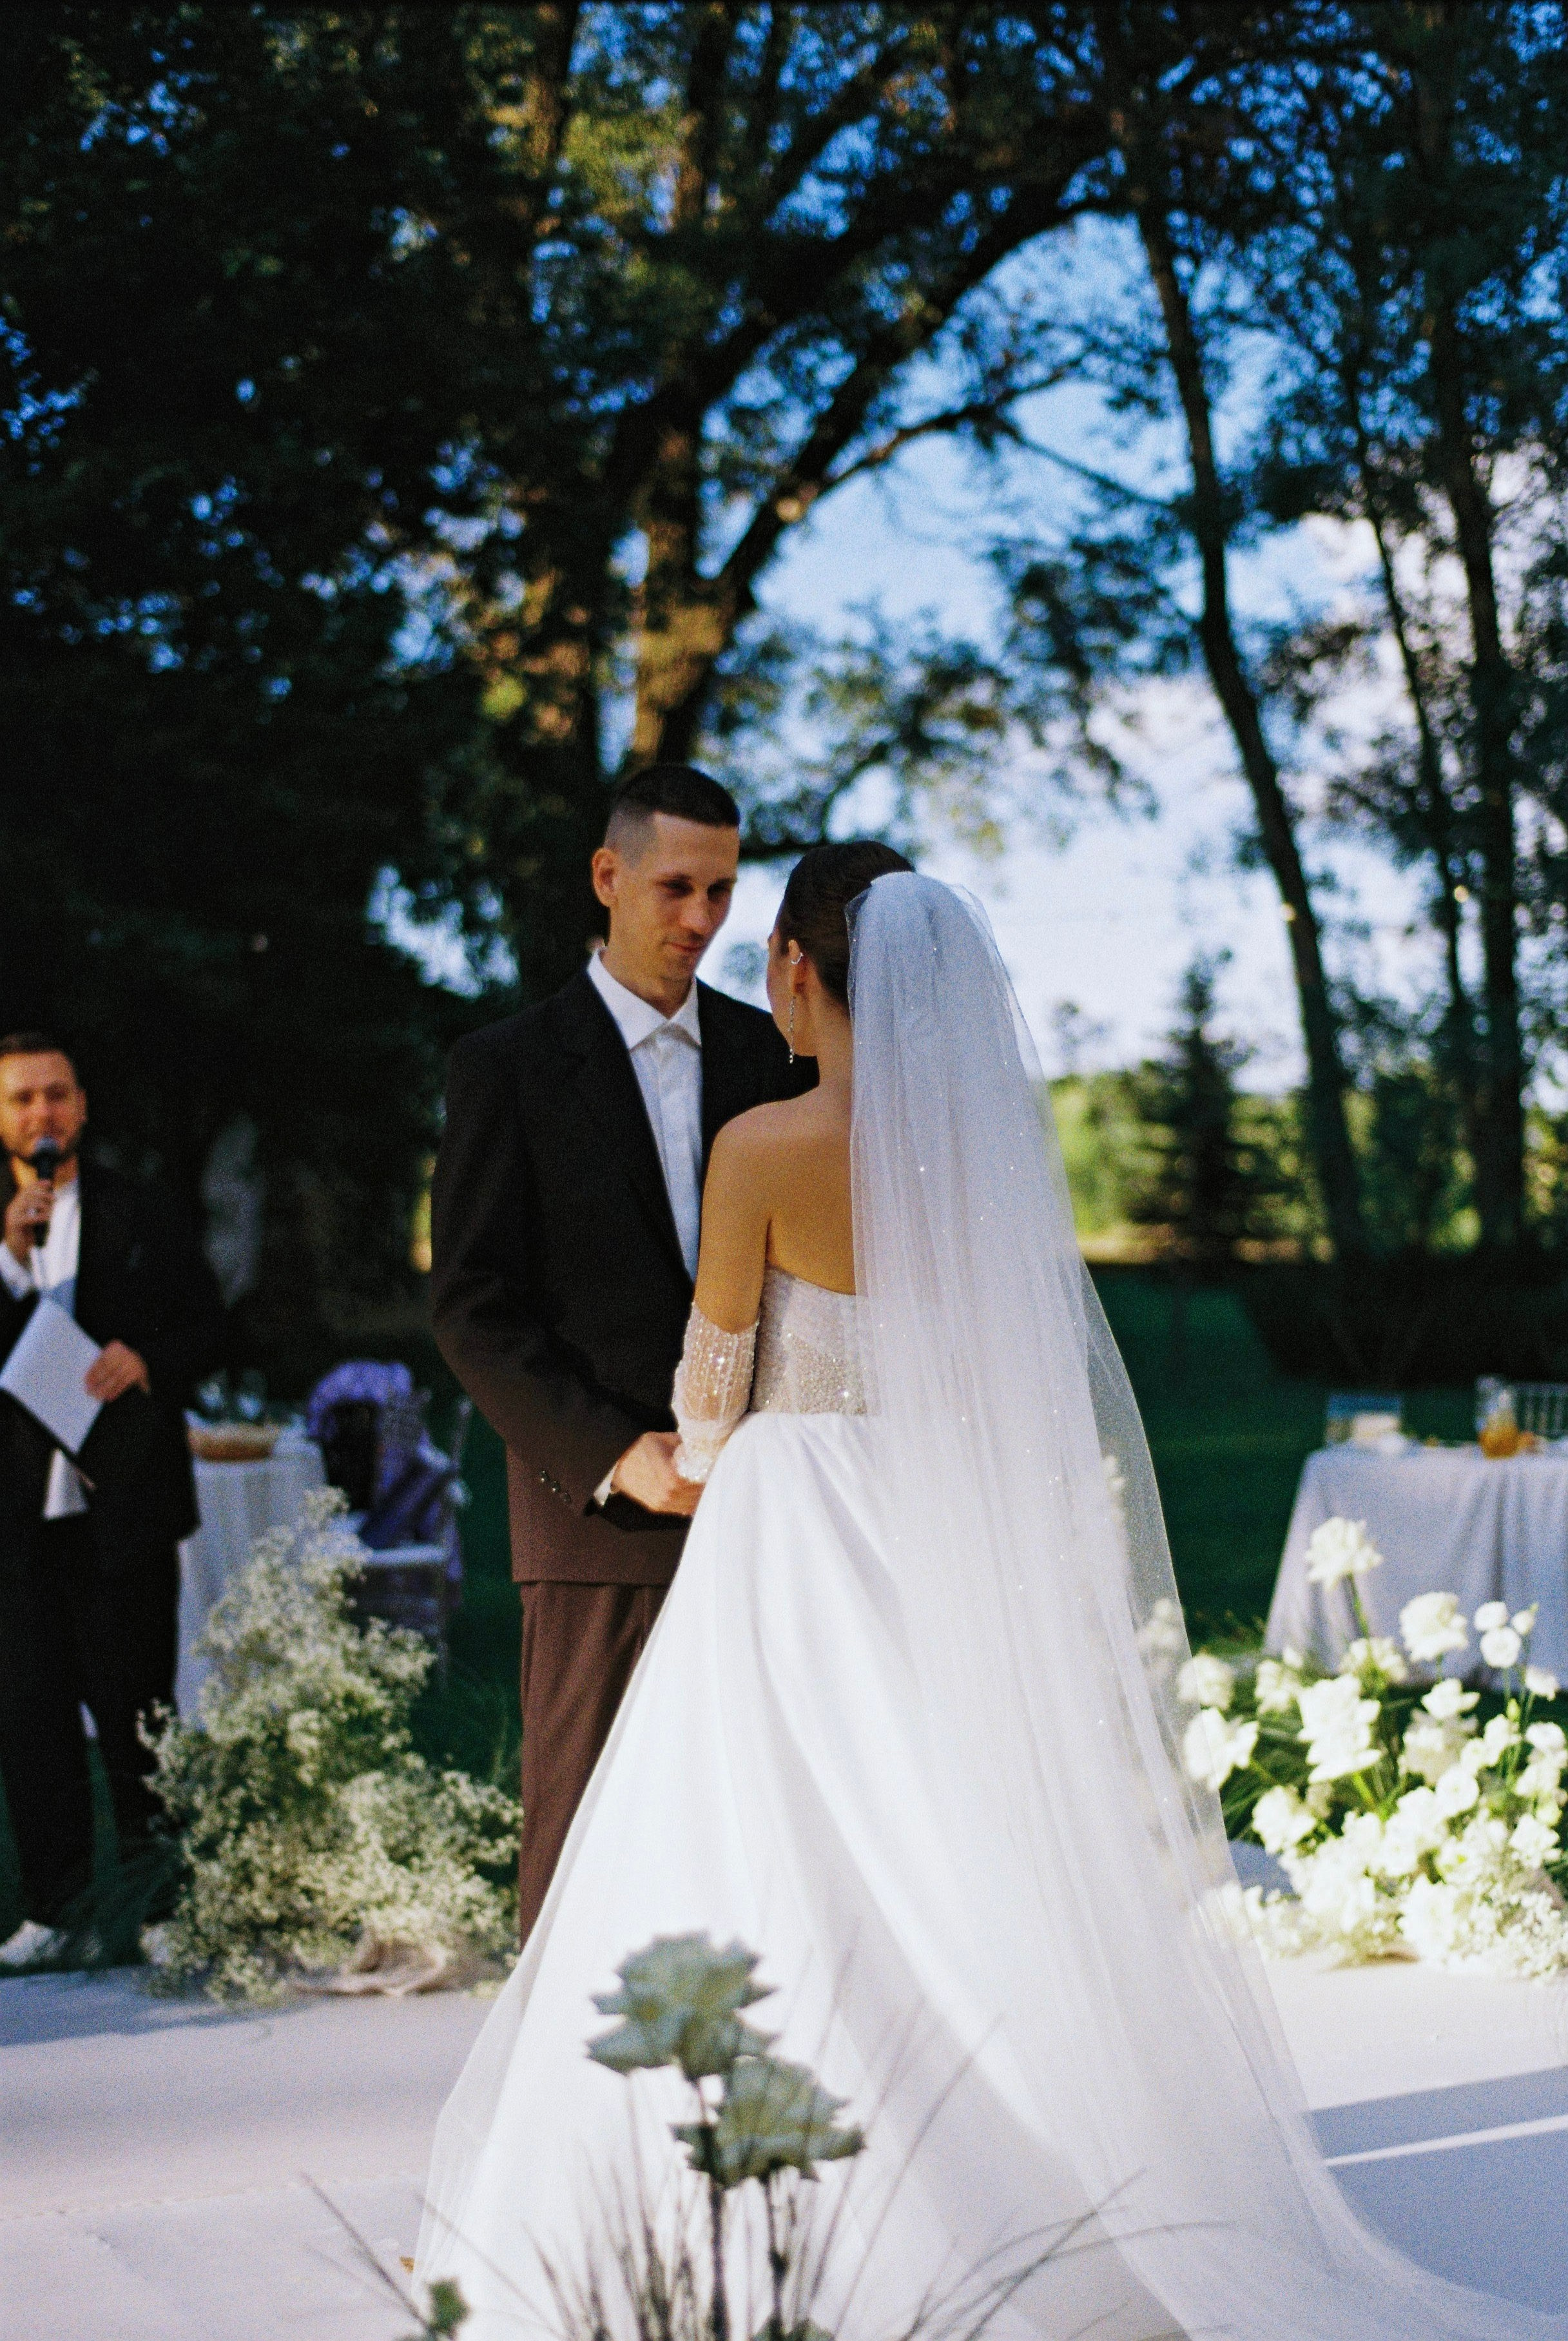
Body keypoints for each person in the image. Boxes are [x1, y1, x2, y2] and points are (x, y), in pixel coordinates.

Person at [419, 853, 1550, 2341]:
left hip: (793, 1523)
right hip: (936, 1517)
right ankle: (1029, 2185)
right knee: (952, 1831)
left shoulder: (763, 1143)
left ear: (804, 977)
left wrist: (714, 1431)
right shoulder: (976, 1154)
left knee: (772, 1841)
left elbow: (707, 1402)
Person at [430, 763, 811, 1939]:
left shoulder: (774, 1057)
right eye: (675, 887)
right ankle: (568, 2111)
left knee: (756, 1826)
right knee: (583, 1835)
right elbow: (471, 1305)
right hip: (593, 1520)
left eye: (723, 892)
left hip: (762, 1503)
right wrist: (613, 1455)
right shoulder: (503, 1067)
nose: (700, 919)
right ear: (608, 877)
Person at [0, 1034, 223, 1965]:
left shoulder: (144, 1210)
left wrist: (149, 1360)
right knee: (32, 1718)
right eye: (21, 1100)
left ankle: (159, 1900)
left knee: (139, 1711)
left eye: (56, 1096)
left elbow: (208, 1325)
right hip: (15, 1523)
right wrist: (11, 1260)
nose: (41, 1115)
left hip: (121, 1508)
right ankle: (59, 1912)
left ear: (83, 1107)